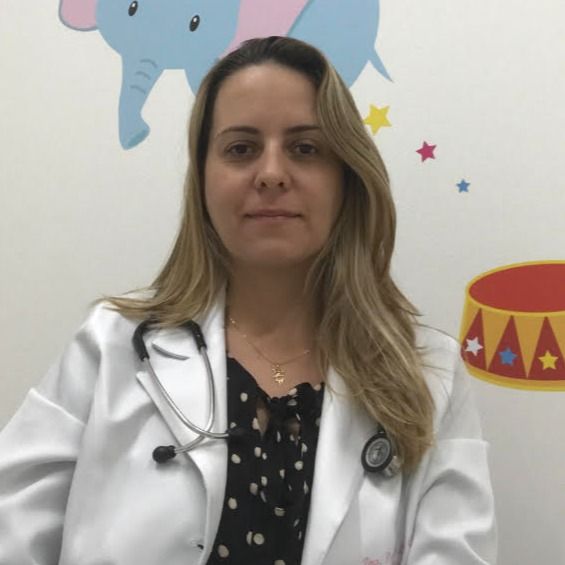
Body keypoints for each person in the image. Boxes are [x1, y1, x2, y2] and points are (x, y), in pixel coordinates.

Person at [0, 36, 496, 564]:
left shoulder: (428, 374)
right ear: (203, 179)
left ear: (346, 177)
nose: (272, 173)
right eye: (241, 149)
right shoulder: (111, 347)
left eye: (305, 149)